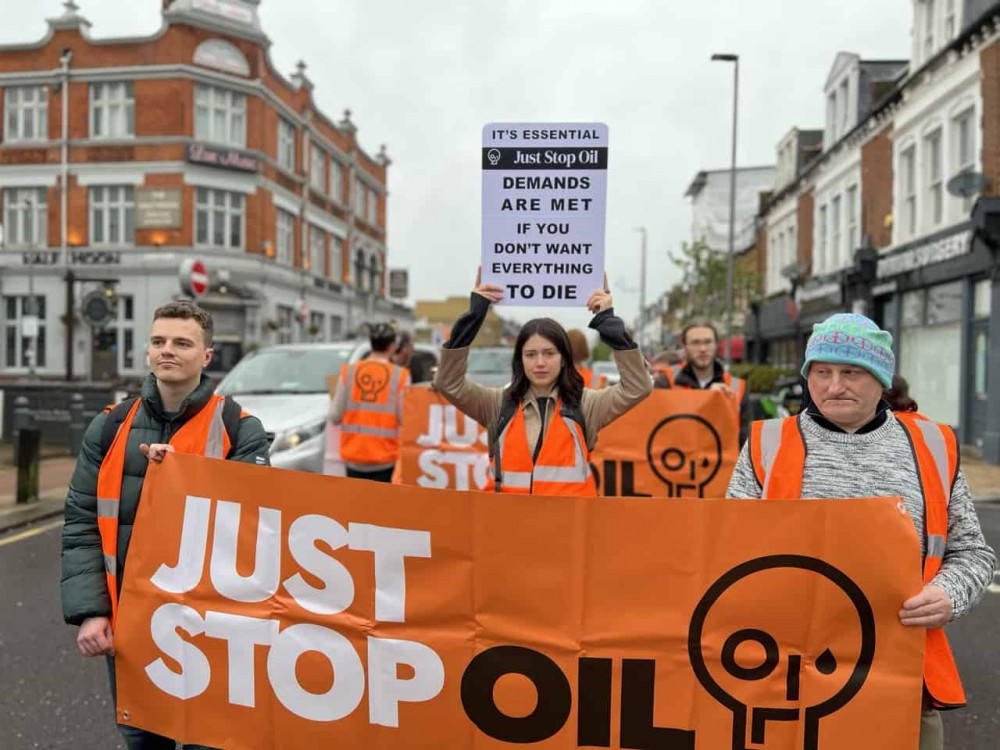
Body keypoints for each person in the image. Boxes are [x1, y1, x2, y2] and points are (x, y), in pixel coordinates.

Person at [726, 313, 995, 750]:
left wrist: (950, 594)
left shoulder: (933, 445)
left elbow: (972, 552)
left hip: (902, 674)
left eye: (851, 372)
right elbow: (730, 554)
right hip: (789, 676)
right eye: (822, 372)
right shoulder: (765, 445)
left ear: (880, 378)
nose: (834, 386)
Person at [61, 300, 271, 750]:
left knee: (209, 739)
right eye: (158, 341)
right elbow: (81, 525)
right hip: (135, 625)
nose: (167, 351)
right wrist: (92, 611)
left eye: (182, 342)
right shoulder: (109, 426)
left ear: (207, 356)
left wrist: (188, 477)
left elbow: (258, 524)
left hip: (218, 629)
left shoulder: (240, 427)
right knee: (143, 740)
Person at [433, 269, 651, 495]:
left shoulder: (586, 406)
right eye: (530, 354)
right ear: (520, 359)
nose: (540, 362)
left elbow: (638, 387)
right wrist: (475, 316)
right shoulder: (497, 404)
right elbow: (448, 382)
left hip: (568, 527)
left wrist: (608, 322)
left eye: (549, 353)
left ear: (564, 358)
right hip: (506, 526)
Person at [330, 321, 411, 482]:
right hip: (385, 459)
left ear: (371, 344)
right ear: (393, 346)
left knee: (356, 506)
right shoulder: (401, 376)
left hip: (353, 457)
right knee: (381, 506)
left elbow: (335, 416)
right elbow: (405, 419)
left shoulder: (349, 372)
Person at [653, 319, 750, 443]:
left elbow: (744, 438)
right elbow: (660, 429)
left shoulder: (737, 386)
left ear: (716, 345)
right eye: (695, 343)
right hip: (677, 459)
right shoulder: (666, 381)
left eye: (708, 342)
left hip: (725, 460)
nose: (703, 349)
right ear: (685, 347)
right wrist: (708, 398)